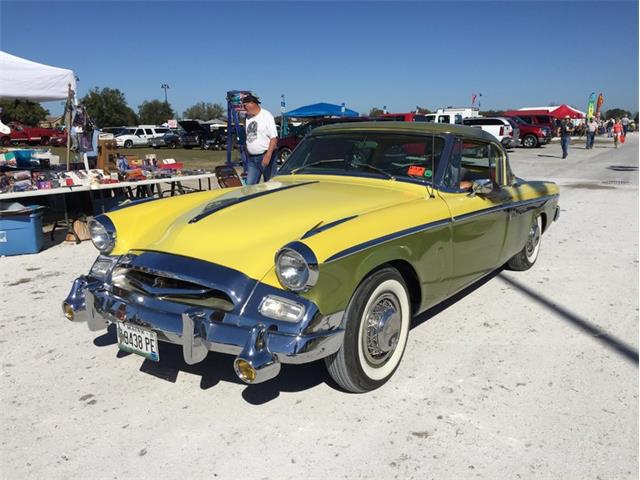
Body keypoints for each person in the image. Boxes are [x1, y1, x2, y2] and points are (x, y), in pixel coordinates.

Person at [242, 94, 278, 185]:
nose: (244, 108)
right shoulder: (248, 118)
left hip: (265, 156)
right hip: (252, 159)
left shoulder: (266, 115)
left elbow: (274, 138)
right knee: (250, 186)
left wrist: (268, 155)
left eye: (245, 106)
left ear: (252, 104)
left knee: (270, 184)